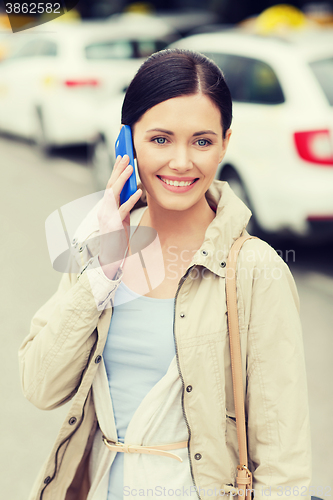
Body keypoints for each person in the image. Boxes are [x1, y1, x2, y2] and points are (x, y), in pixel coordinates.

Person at [19, 49, 311, 500]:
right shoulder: (101, 245)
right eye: (159, 139)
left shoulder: (255, 269)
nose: (180, 162)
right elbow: (40, 385)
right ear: (126, 141)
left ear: (225, 143)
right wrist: (102, 268)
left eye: (201, 141)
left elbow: (283, 459)